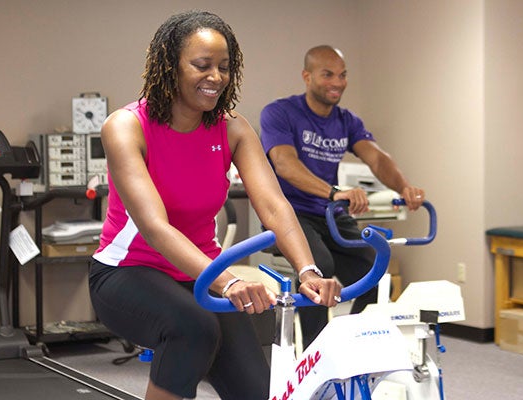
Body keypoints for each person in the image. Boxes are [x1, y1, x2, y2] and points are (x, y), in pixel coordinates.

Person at [89, 12, 341, 400]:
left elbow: (274, 206)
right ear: (170, 65)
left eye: (224, 67)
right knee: (194, 326)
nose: (216, 77)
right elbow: (155, 227)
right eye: (202, 65)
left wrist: (307, 269)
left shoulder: (233, 128)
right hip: (128, 271)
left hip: (202, 272)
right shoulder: (126, 126)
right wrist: (230, 281)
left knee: (257, 390)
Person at [259, 45, 426, 350]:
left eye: (342, 75)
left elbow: (376, 158)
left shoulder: (347, 121)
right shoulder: (280, 112)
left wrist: (403, 187)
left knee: (374, 267)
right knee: (318, 267)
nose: (337, 82)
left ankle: (348, 344)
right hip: (289, 215)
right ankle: (314, 354)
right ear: (307, 76)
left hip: (329, 215)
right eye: (327, 74)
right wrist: (336, 192)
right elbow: (284, 164)